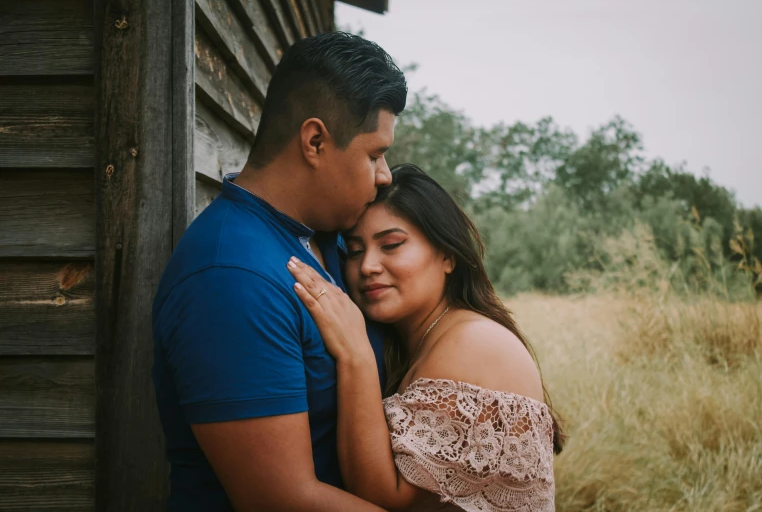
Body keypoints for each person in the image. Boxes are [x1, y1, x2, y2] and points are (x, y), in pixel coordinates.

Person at [151, 32, 407, 511]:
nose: (385, 174)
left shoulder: (322, 236)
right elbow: (282, 499)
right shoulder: (229, 279)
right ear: (315, 142)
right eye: (374, 154)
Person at [286, 164, 565, 512]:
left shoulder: (470, 344)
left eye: (391, 245)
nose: (368, 265)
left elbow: (385, 499)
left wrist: (355, 353)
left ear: (447, 256)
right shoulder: (428, 339)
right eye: (355, 251)